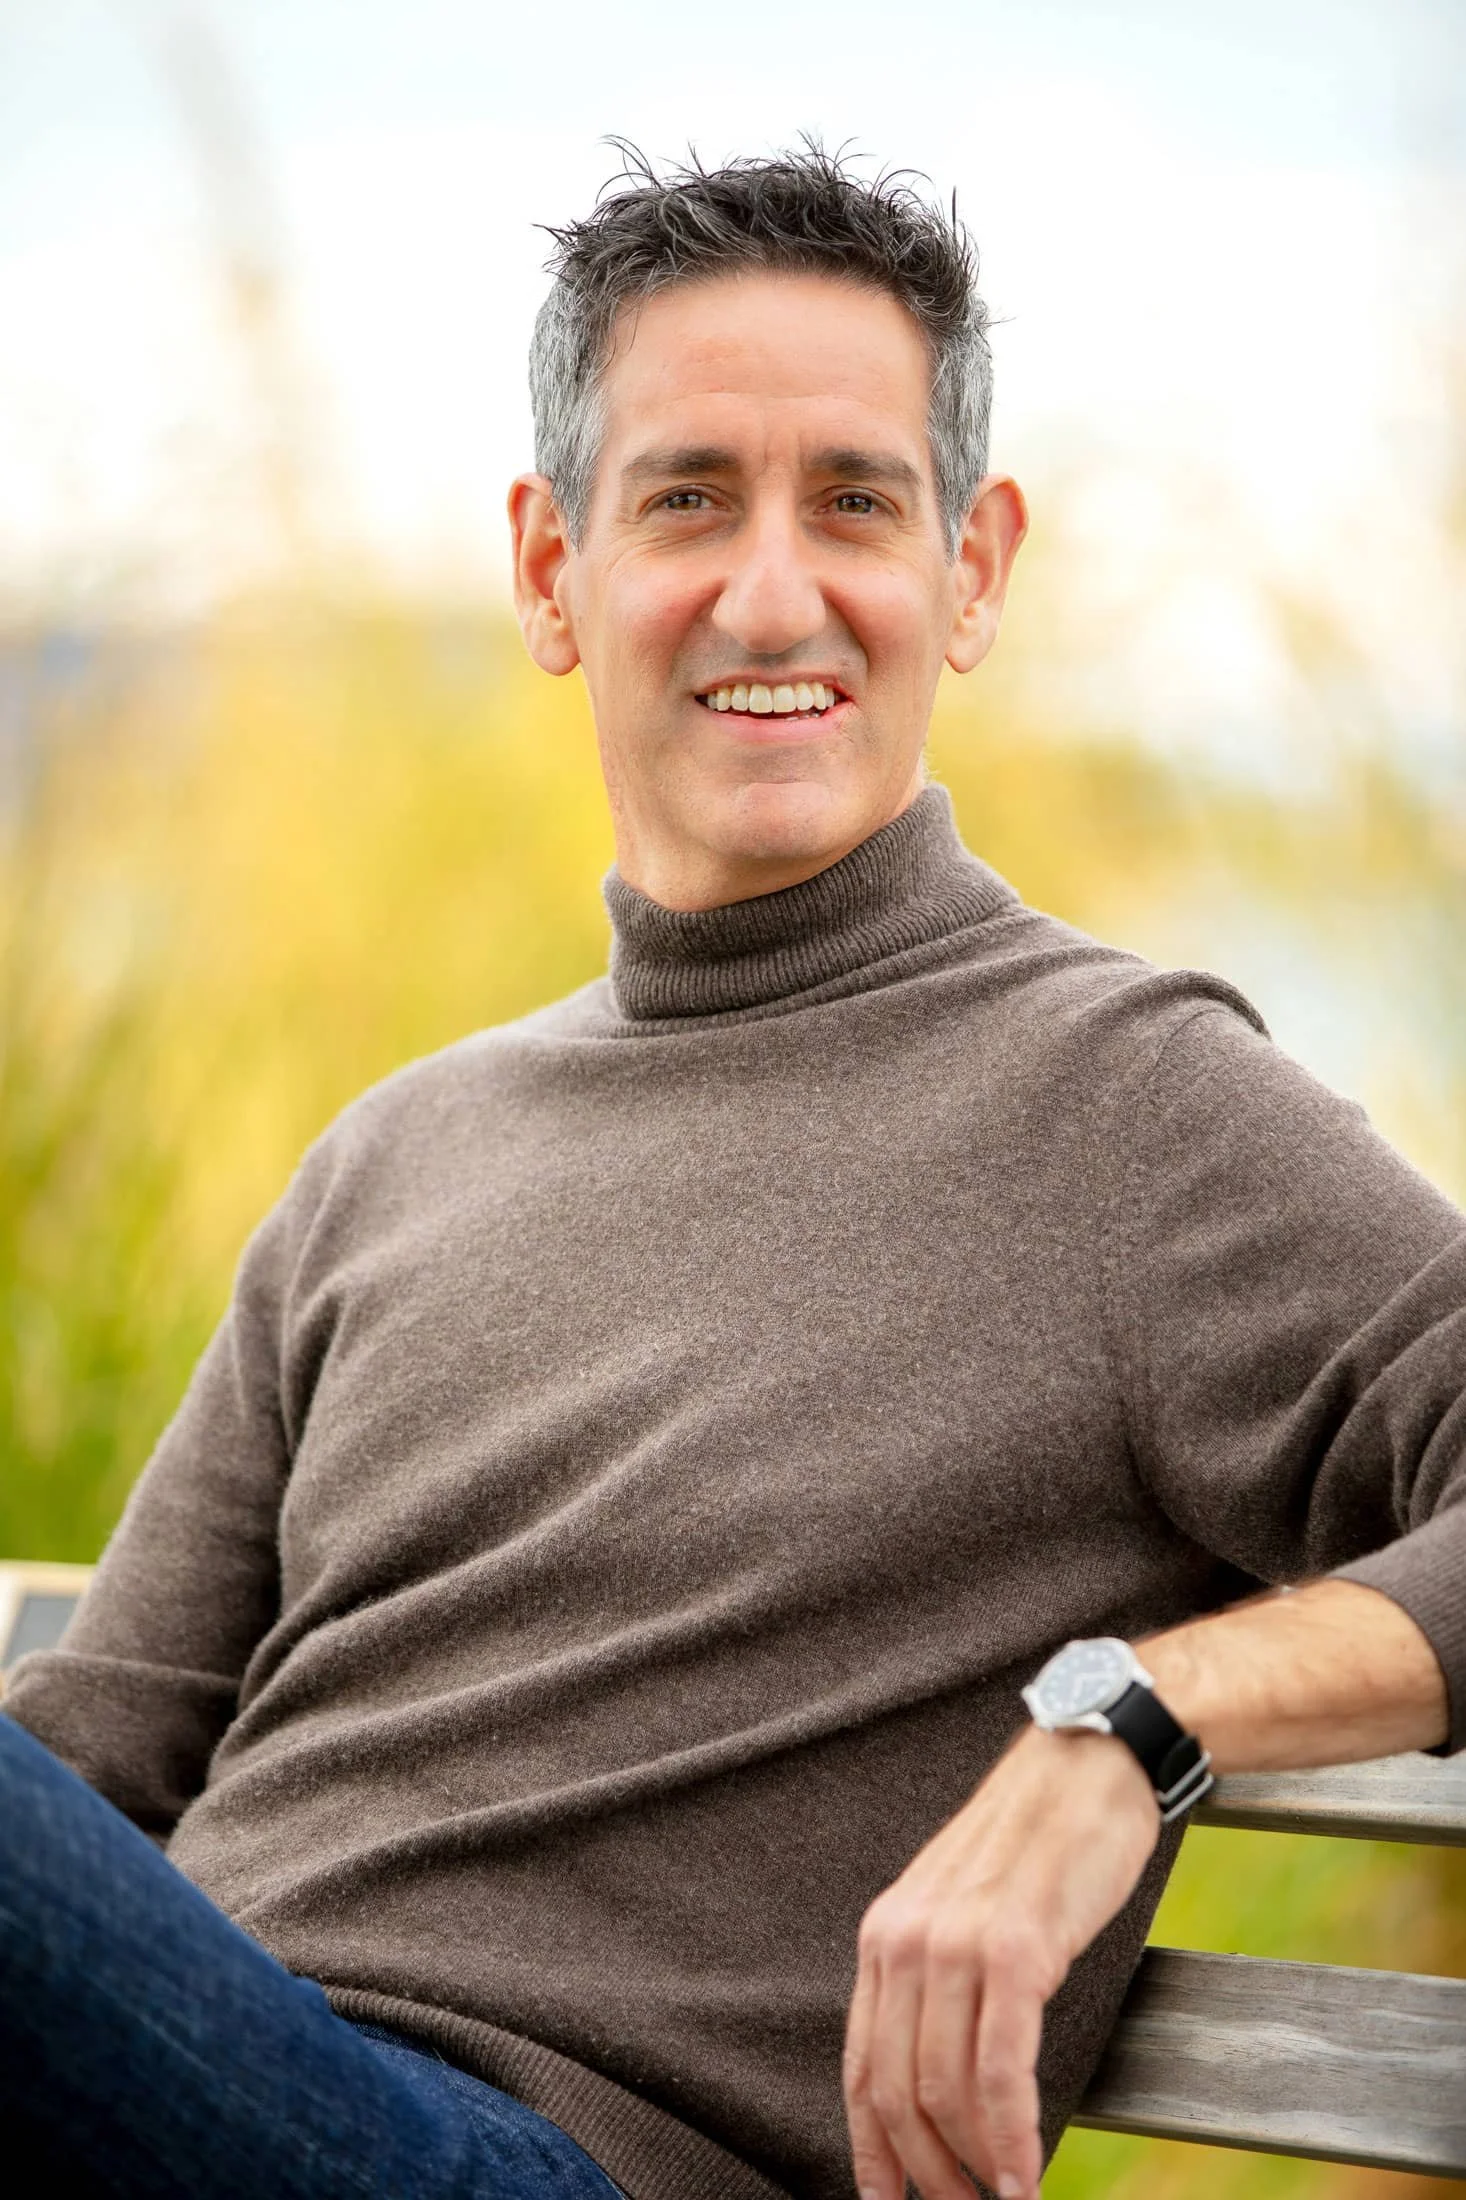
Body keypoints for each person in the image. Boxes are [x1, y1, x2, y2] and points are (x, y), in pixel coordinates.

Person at [3, 143, 1462, 2200]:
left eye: (854, 502)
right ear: (546, 568)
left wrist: (1137, 1718)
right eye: (688, 497)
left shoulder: (1130, 1115)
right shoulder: (392, 1157)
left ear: (970, 572)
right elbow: (86, 1765)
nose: (772, 594)